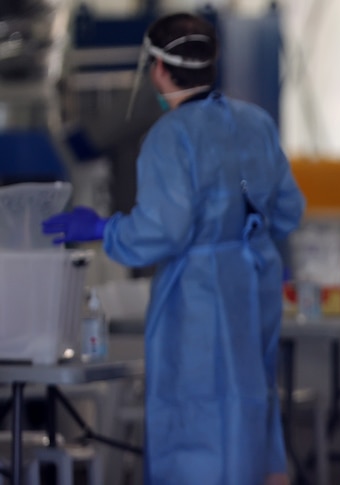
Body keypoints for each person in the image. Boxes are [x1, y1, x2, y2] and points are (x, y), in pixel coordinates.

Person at [41, 13, 305, 485]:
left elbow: (162, 231)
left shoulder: (169, 136)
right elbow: (287, 210)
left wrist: (106, 229)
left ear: (158, 69)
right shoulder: (254, 122)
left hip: (198, 295)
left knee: (196, 413)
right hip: (255, 284)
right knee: (249, 401)